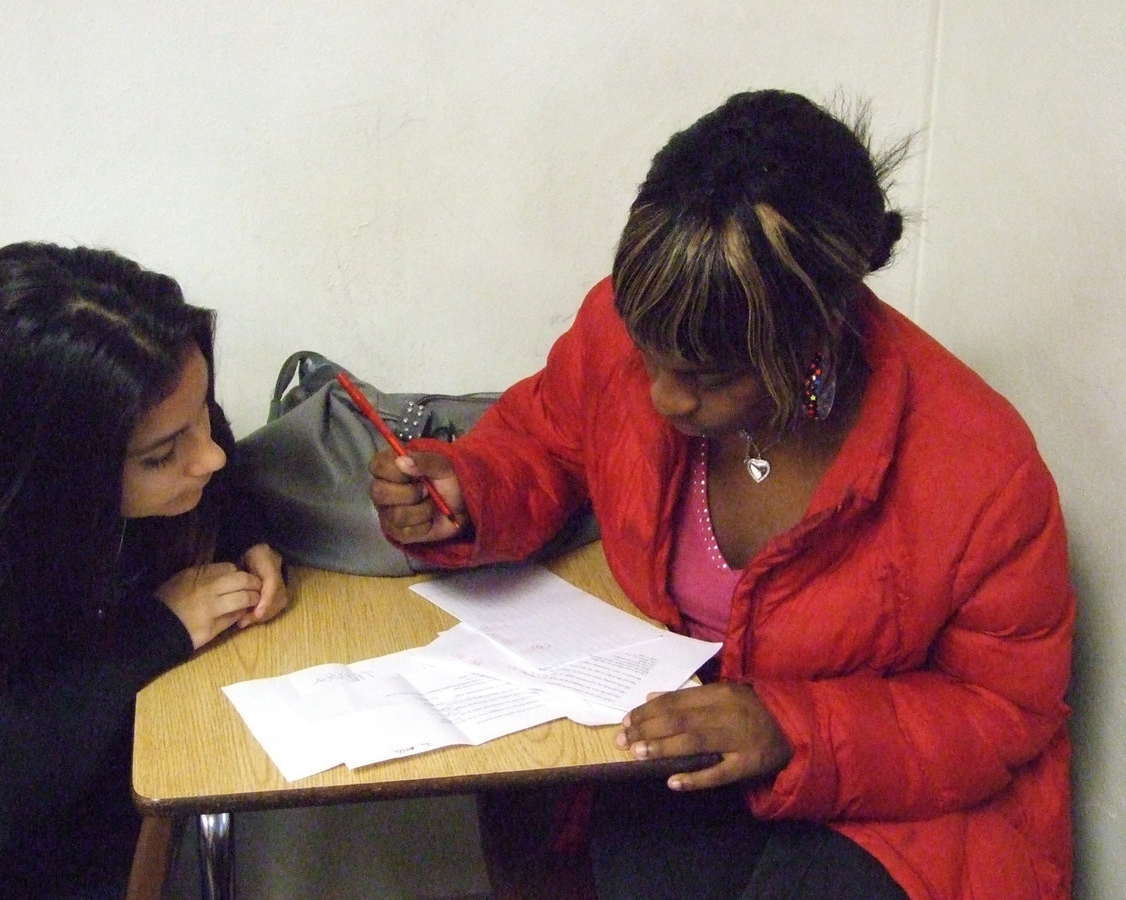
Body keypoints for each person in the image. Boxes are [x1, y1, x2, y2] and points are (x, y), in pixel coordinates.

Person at [368, 90, 1074, 899]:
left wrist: (790, 728)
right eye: (649, 357)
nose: (663, 397)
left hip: (906, 808)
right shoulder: (645, 328)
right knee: (608, 850)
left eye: (704, 378)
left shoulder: (979, 466)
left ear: (811, 335)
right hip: (694, 751)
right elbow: (547, 435)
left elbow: (1000, 709)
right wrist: (469, 488)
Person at [0, 242, 288, 898]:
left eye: (203, 411)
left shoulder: (95, 404)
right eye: (163, 457)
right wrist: (148, 637)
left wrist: (242, 528)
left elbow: (185, 429)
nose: (209, 457)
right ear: (47, 480)